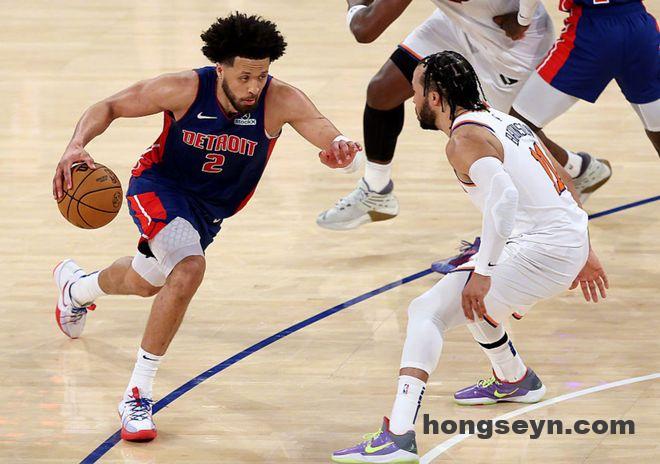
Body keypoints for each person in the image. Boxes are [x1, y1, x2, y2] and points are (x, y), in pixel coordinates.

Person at [51, 13, 360, 442]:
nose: (254, 87)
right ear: (220, 68)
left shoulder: (281, 100)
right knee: (188, 269)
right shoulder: (185, 88)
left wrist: (340, 150)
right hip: (159, 187)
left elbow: (325, 131)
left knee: (146, 282)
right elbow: (110, 106)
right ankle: (138, 394)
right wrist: (76, 145)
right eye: (244, 76)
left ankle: (76, 289)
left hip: (209, 212)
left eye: (262, 75)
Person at [331, 51, 608, 463]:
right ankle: (514, 378)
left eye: (415, 91)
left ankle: (399, 435)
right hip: (562, 241)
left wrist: (485, 270)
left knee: (427, 311)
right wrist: (584, 248)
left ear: (435, 98)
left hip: (544, 250)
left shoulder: (463, 140)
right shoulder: (504, 120)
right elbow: (562, 178)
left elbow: (504, 200)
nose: (412, 100)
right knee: (466, 293)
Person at [317, 0, 612, 230]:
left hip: (510, 42)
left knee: (506, 136)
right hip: (457, 23)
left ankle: (576, 171)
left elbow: (365, 29)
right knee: (382, 91)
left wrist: (523, 18)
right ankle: (377, 190)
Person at [511, 0, 660, 172]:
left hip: (590, 35)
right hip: (640, 30)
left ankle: (577, 170)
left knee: (516, 127)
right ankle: (579, 170)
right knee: (657, 129)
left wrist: (522, 20)